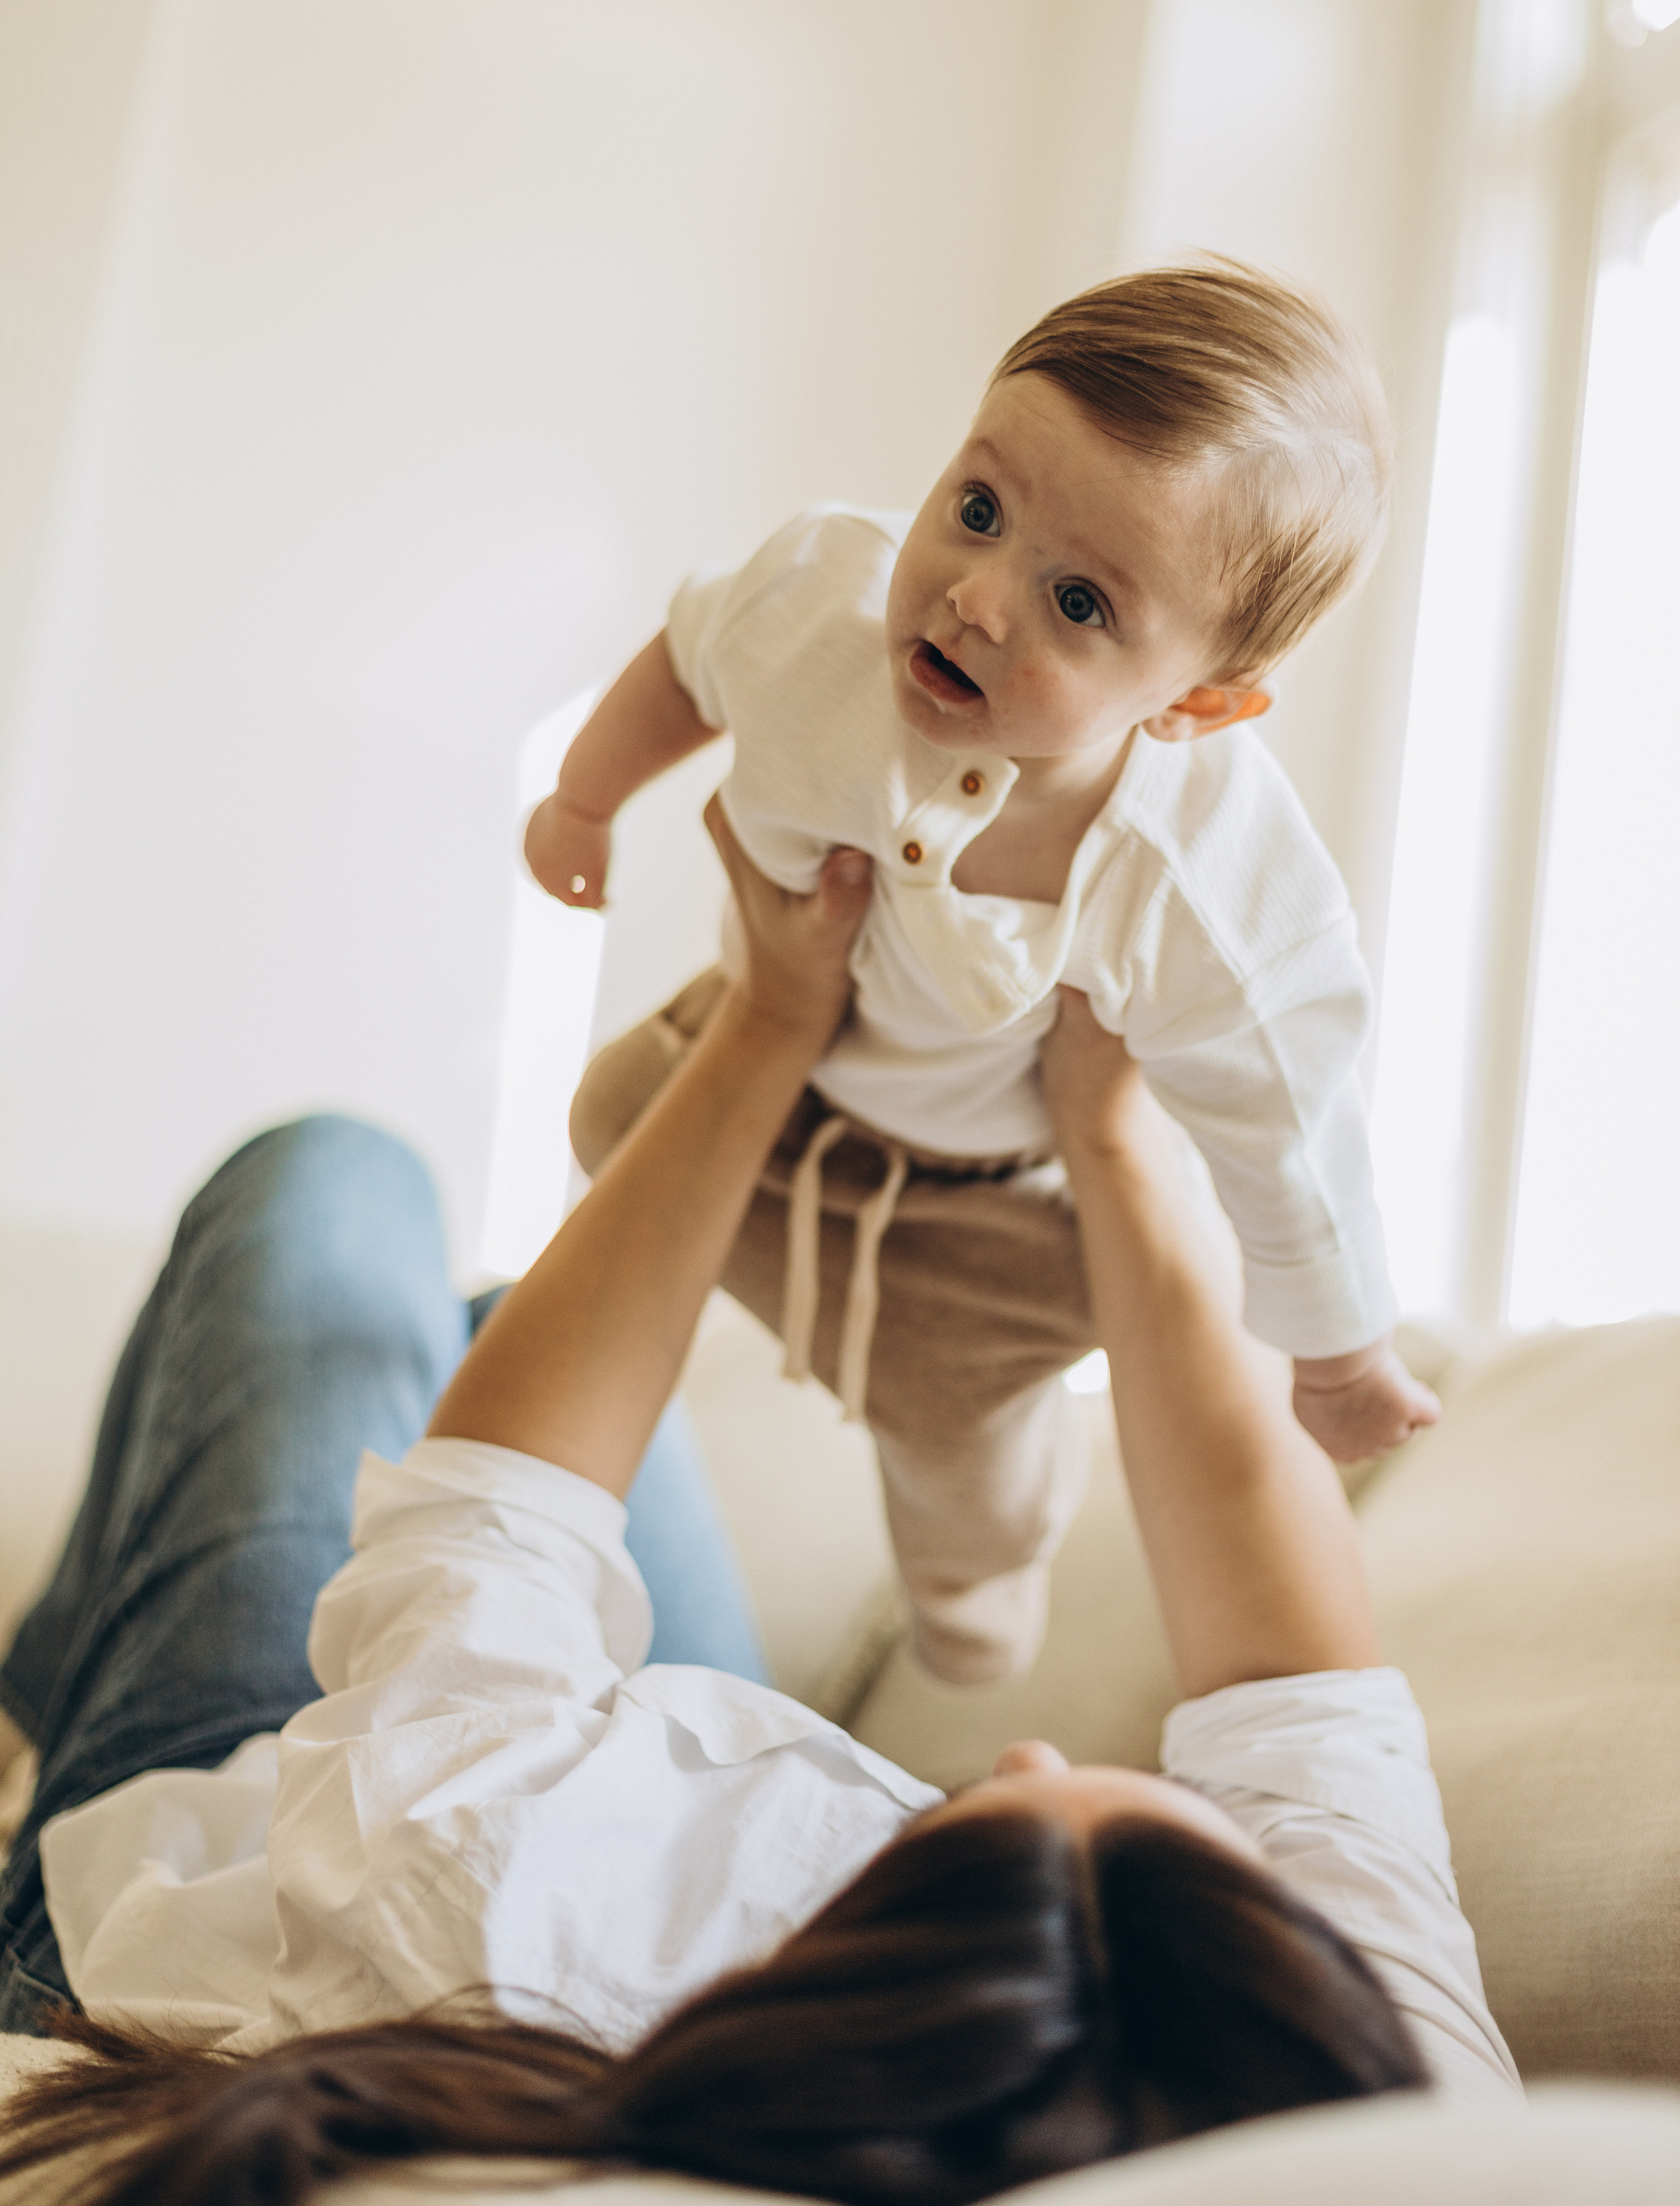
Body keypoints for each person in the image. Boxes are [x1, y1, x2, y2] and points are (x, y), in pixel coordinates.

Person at [0, 806, 1516, 2206]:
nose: (1027, 1748)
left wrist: (770, 1017)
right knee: (510, 1313)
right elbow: (1298, 1692)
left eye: (978, 1824)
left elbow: (494, 1509)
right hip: (548, 1791)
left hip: (235, 1862)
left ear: (834, 1963)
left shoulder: (493, 1899)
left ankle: (69, 1724)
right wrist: (1105, 1121)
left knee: (336, 1182)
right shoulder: (1375, 2096)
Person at [526, 260, 1439, 1688]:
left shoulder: (1197, 876)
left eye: (1077, 600)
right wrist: (585, 798)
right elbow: (687, 660)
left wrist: (1334, 1349)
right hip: (753, 1066)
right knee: (596, 1120)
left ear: (1196, 704)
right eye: (977, 508)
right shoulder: (816, 597)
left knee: (965, 1469)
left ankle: (966, 1602)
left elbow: (1287, 1105)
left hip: (981, 1211)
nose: (977, 598)